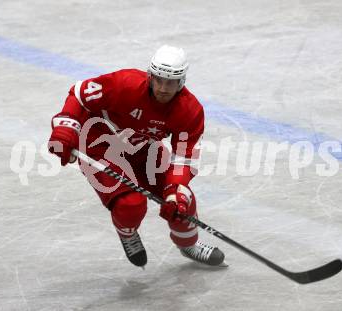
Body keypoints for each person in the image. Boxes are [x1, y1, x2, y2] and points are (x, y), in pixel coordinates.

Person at [48, 45, 225, 268]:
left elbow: (184, 159)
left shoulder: (190, 111)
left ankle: (188, 244)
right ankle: (127, 231)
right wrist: (66, 128)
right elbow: (79, 94)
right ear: (150, 76)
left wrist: (173, 194)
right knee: (130, 204)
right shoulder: (125, 83)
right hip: (98, 145)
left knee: (183, 200)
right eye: (159, 79)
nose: (162, 88)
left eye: (170, 82)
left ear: (181, 82)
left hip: (142, 148)